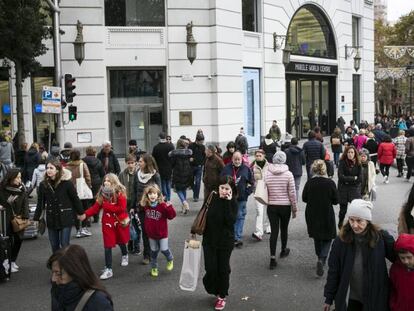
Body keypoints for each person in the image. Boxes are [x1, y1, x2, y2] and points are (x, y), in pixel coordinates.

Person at [323, 199, 395, 311]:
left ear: (367, 220)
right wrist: (329, 297)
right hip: (351, 297)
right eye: (351, 220)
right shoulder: (340, 241)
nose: (355, 225)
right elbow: (334, 270)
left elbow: (400, 259)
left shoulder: (380, 238)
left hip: (374, 297)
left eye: (359, 221)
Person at [78, 174, 130, 280]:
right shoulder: (102, 194)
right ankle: (108, 269)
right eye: (105, 180)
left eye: (108, 181)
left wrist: (107, 206)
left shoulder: (120, 193)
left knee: (121, 241)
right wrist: (85, 215)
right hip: (107, 224)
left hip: (118, 222)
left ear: (114, 182)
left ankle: (125, 254)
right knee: (107, 246)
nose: (106, 182)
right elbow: (95, 208)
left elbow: (122, 208)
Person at [202, 176, 238, 311]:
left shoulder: (233, 202)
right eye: (221, 188)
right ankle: (213, 285)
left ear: (231, 189)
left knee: (223, 269)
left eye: (226, 188)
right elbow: (203, 214)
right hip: (209, 239)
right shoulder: (211, 198)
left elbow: (230, 222)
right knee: (210, 268)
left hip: (225, 241)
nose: (223, 191)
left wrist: (228, 203)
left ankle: (222, 296)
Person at [34, 160, 84, 253]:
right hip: (51, 217)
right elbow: (40, 203)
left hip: (65, 217)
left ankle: (65, 264)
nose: (48, 170)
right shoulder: (43, 185)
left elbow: (75, 199)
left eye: (51, 168)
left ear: (57, 170)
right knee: (54, 245)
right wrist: (36, 218)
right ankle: (57, 265)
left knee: (64, 243)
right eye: (47, 168)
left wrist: (81, 213)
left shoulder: (67, 183)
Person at [48, 244, 113, 310]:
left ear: (75, 273)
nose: (53, 279)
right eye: (53, 272)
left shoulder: (99, 302)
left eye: (59, 274)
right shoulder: (57, 290)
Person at [302, 160, 338, 277]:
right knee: (328, 236)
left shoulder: (310, 183)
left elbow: (304, 198)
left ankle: (319, 257)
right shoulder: (330, 183)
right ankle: (322, 259)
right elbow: (336, 200)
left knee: (316, 236)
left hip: (312, 212)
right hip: (326, 211)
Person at [265, 151, 297, 269]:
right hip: (285, 206)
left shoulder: (267, 173)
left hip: (272, 205)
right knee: (284, 229)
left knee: (274, 231)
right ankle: (283, 250)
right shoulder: (289, 174)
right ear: (284, 160)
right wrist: (294, 208)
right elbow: (292, 193)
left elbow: (264, 190)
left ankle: (272, 258)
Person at [140, 185, 176, 277]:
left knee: (164, 249)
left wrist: (169, 207)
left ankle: (170, 259)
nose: (152, 195)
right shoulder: (146, 206)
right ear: (147, 195)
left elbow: (172, 216)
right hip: (151, 234)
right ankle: (154, 268)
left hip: (162, 233)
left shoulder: (162, 206)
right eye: (150, 193)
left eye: (154, 193)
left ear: (158, 195)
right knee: (153, 251)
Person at [221, 151, 254, 248]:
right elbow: (221, 181)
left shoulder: (246, 169)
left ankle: (237, 237)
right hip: (228, 198)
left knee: (239, 216)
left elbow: (252, 183)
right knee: (230, 217)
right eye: (235, 159)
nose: (237, 161)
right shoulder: (226, 168)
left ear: (241, 159)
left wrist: (247, 193)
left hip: (241, 198)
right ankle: (231, 236)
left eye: (238, 159)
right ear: (232, 159)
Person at [0, 169, 29, 273]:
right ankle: (7, 261)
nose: (19, 179)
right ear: (11, 178)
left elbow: (25, 202)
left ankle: (13, 261)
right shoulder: (2, 188)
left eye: (20, 177)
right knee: (7, 241)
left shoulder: (22, 188)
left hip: (18, 218)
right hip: (5, 218)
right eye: (17, 177)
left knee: (18, 240)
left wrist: (25, 216)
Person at [134, 153, 161, 264]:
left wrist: (160, 207)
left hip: (153, 208)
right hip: (141, 207)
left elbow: (159, 193)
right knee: (145, 231)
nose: (138, 163)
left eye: (141, 161)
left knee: (153, 231)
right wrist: (132, 206)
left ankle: (155, 248)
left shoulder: (155, 175)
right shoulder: (137, 174)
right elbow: (134, 190)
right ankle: (147, 255)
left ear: (146, 163)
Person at [66, 149, 93, 238]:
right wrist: (89, 186)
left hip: (71, 190)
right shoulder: (82, 164)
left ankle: (78, 230)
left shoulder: (67, 166)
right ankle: (84, 228)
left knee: (75, 210)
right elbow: (87, 177)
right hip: (82, 190)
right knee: (84, 209)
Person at [118, 154, 140, 255]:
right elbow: (118, 187)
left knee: (136, 225)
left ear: (136, 163)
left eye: (132, 163)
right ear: (126, 163)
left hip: (136, 203)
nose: (131, 165)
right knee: (127, 224)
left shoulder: (138, 173)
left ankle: (137, 246)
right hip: (125, 204)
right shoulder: (122, 174)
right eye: (128, 163)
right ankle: (130, 243)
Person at [337, 146, 362, 229]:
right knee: (343, 210)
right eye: (348, 152)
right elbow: (340, 177)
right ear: (346, 153)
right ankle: (340, 223)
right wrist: (352, 178)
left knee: (355, 209)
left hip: (354, 189)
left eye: (352, 152)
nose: (350, 154)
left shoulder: (358, 163)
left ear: (355, 153)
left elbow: (360, 178)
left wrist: (347, 179)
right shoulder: (342, 162)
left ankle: (354, 225)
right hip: (343, 188)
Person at [389, 233, 414, 311]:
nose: (406, 261)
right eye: (402, 258)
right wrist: (393, 305)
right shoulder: (395, 269)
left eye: (409, 257)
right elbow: (392, 289)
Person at [251, 150, 270, 241]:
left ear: (264, 156)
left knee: (268, 209)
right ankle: (259, 232)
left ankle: (268, 227)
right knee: (259, 211)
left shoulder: (269, 166)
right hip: (257, 191)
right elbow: (250, 178)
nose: (258, 157)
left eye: (260, 155)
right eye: (257, 155)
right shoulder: (252, 166)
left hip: (267, 190)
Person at [169, 138, 193, 214]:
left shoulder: (174, 154)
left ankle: (184, 202)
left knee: (178, 189)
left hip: (177, 173)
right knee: (184, 189)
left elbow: (172, 164)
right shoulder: (188, 153)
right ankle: (184, 207)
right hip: (186, 173)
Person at [82, 146, 105, 223]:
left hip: (85, 182)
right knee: (96, 200)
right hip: (96, 182)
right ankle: (96, 217)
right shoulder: (98, 161)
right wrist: (101, 183)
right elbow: (102, 174)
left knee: (87, 200)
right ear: (94, 153)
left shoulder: (82, 161)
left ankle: (87, 218)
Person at [152, 132, 174, 202]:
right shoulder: (171, 146)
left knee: (163, 183)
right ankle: (169, 198)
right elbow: (173, 157)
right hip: (169, 168)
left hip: (160, 168)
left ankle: (166, 198)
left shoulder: (156, 147)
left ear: (159, 138)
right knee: (168, 183)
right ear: (165, 137)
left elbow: (153, 159)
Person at [189, 132, 206, 202]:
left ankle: (196, 196)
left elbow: (204, 156)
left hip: (199, 167)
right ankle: (194, 189)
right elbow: (188, 154)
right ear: (197, 140)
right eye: (201, 141)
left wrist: (202, 163)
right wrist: (190, 158)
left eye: (202, 141)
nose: (202, 143)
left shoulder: (203, 147)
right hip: (191, 166)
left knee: (198, 181)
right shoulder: (191, 146)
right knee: (190, 181)